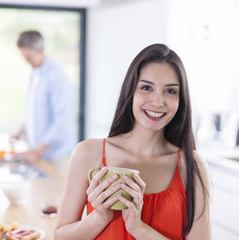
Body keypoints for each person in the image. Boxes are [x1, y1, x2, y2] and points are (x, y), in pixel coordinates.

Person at [54, 44, 211, 239]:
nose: (157, 102)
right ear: (130, 92)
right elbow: (61, 236)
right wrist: (98, 218)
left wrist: (139, 228)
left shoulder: (191, 164)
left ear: (181, 100)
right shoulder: (87, 153)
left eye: (170, 91)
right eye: (146, 88)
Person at [11, 30, 76, 174]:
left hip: (56, 158)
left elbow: (62, 123)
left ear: (41, 50)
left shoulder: (57, 77)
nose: (27, 61)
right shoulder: (35, 74)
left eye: (29, 57)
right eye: (24, 57)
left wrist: (37, 151)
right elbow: (34, 112)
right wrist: (20, 131)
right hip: (39, 156)